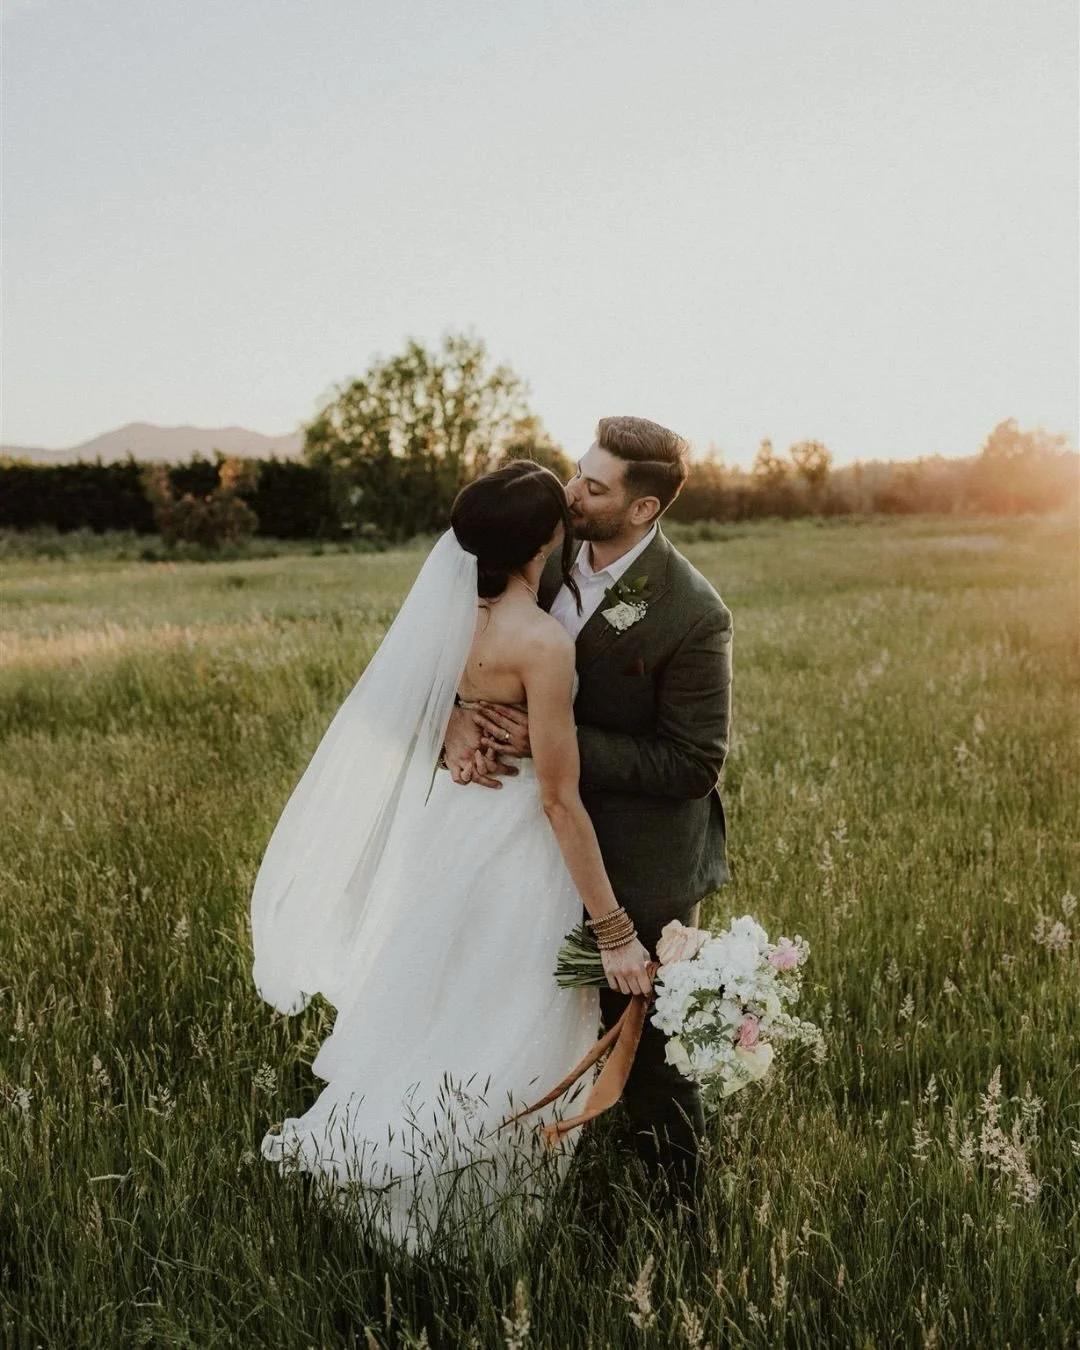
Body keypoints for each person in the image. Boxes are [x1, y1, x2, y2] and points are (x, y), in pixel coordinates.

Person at [251, 461, 652, 1255]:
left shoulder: (449, 622)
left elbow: (393, 700)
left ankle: (399, 1176)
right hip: (515, 851)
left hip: (449, 834)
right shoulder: (540, 642)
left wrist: (450, 725)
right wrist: (612, 928)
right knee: (508, 1012)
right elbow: (559, 799)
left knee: (438, 1005)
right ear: (548, 539)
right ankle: (476, 1226)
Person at [444, 416, 733, 1213]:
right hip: (517, 848)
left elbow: (693, 763)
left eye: (594, 486)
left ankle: (682, 1213)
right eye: (577, 472)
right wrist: (452, 722)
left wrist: (554, 746)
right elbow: (440, 652)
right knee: (512, 1014)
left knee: (648, 1054)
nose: (571, 491)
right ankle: (510, 1178)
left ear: (642, 510)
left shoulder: (692, 613)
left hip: (636, 856)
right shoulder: (542, 544)